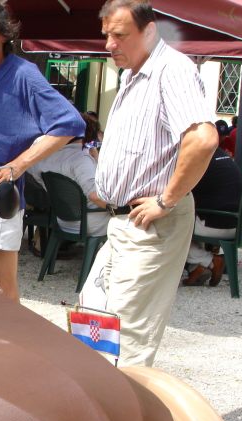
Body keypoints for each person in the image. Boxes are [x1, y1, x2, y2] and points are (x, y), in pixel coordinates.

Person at [83, 0, 218, 367]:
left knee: (126, 336)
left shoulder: (171, 69)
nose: (109, 44)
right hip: (123, 221)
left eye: (119, 35)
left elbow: (203, 139)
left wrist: (165, 200)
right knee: (94, 318)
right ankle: (103, 397)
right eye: (106, 35)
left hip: (148, 223)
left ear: (149, 31)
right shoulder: (133, 73)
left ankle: (125, 402)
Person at [0, 1, 84, 300]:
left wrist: (17, 165)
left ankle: (7, 334)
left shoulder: (23, 74)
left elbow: (70, 123)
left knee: (2, 291)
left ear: (4, 34)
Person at [28, 113, 110, 239]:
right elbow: (94, 195)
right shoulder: (81, 159)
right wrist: (120, 208)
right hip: (88, 222)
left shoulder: (44, 156)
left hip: (62, 219)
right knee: (124, 219)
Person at [182, 147, 242, 286]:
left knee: (167, 225)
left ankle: (208, 260)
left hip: (213, 225)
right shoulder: (223, 156)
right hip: (237, 225)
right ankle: (196, 268)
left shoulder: (195, 158)